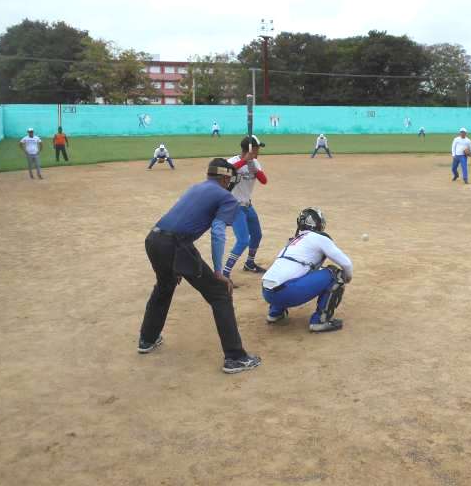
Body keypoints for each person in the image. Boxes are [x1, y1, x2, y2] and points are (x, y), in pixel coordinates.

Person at [137, 158, 261, 374]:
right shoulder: (226, 197)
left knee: (164, 286)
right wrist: (218, 272)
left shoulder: (196, 188)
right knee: (220, 292)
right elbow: (218, 232)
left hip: (153, 240)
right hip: (176, 244)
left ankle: (147, 339)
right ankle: (235, 357)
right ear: (224, 178)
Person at [262, 208, 353, 333]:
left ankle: (275, 313)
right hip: (288, 293)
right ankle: (320, 321)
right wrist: (347, 277)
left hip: (267, 293)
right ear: (317, 223)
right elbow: (346, 264)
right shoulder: (319, 238)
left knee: (289, 273)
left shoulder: (293, 241)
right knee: (335, 274)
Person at [222, 135, 268, 278]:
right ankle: (225, 274)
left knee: (257, 235)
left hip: (247, 205)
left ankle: (249, 263)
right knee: (243, 240)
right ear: (251, 149)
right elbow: (227, 171)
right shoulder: (232, 161)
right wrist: (244, 161)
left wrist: (254, 167)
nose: (259, 151)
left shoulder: (255, 163)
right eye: (257, 148)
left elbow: (264, 181)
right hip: (234, 206)